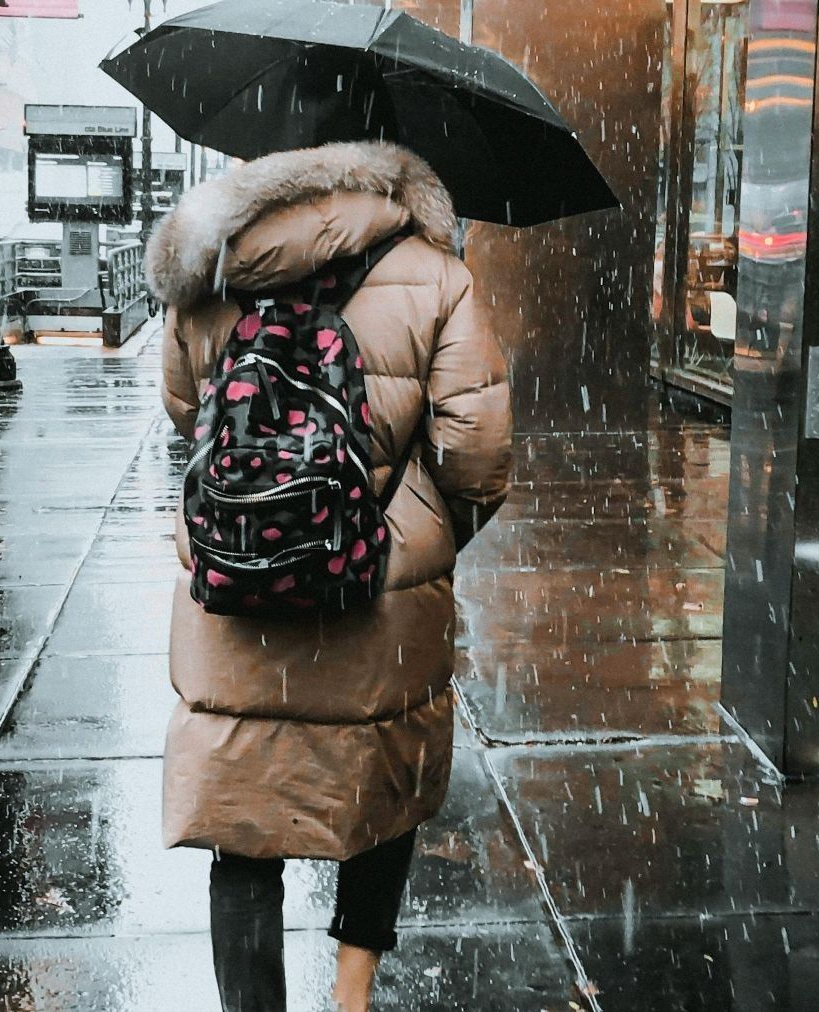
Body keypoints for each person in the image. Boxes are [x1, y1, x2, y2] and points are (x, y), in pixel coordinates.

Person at [149, 139, 512, 1012]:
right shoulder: (436, 276)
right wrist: (414, 534)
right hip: (379, 595)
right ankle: (351, 998)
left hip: (237, 587)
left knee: (242, 817)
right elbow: (477, 456)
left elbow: (185, 413)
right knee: (381, 791)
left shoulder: (211, 268)